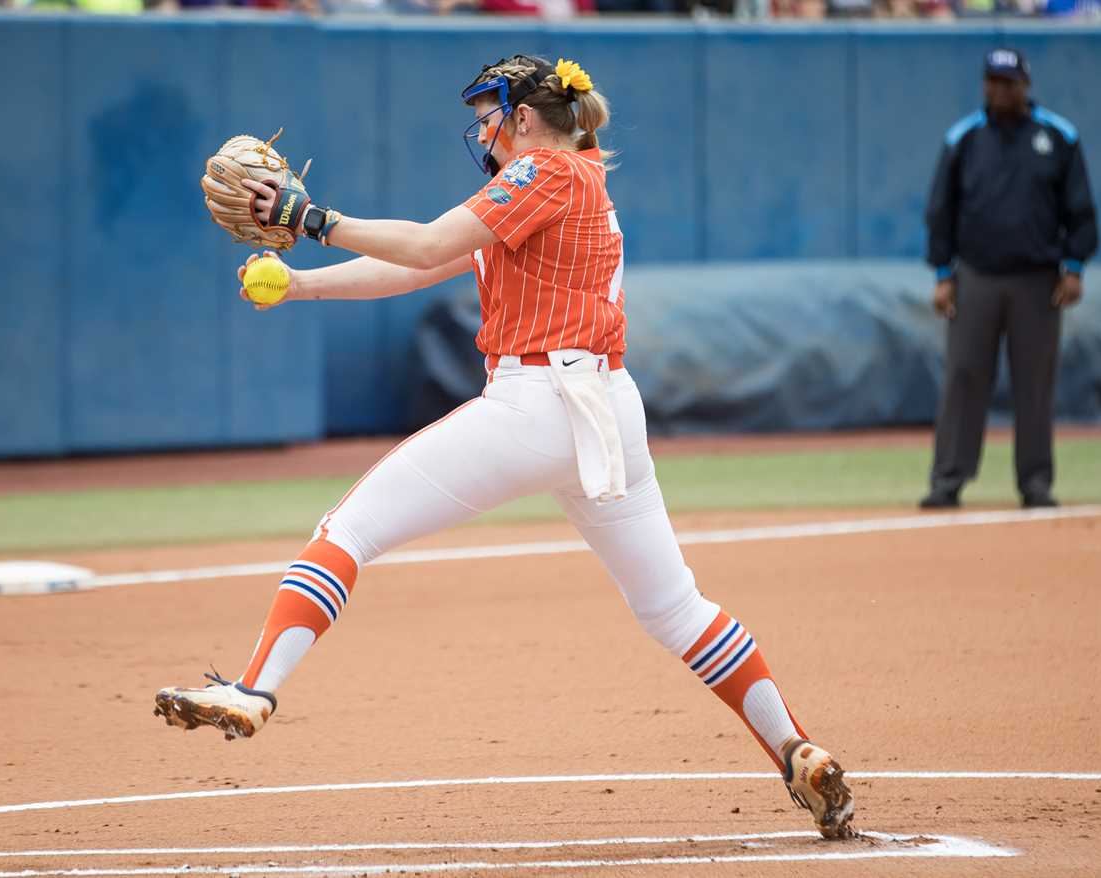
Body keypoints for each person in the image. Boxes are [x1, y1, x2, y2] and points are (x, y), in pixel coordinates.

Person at [154, 54, 854, 840]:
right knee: (675, 607)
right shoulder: (565, 182)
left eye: (491, 113)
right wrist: (303, 280)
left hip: (538, 403)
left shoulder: (543, 173)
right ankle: (794, 748)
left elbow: (421, 245)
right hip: (605, 410)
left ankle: (254, 689)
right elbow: (421, 265)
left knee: (346, 531)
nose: (482, 128)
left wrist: (311, 219)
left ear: (524, 117)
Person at [920, 48, 1098, 510]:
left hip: (1038, 281)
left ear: (1025, 85)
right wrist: (943, 273)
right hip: (976, 277)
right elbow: (941, 211)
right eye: (992, 81)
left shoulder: (1058, 136)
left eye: (1008, 82)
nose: (999, 90)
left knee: (1034, 383)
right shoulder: (964, 137)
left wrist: (1074, 267)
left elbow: (1080, 211)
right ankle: (948, 480)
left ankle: (1035, 482)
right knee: (963, 377)